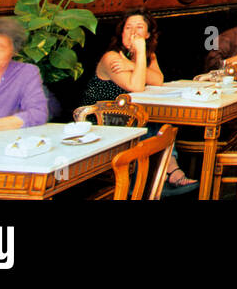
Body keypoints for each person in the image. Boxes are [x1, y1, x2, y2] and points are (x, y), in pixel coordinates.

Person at [82, 11, 196, 189]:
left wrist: (135, 62)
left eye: (139, 27)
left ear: (148, 34)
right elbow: (136, 86)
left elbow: (158, 80)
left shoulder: (146, 56)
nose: (133, 32)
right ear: (121, 33)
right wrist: (140, 52)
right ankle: (161, 177)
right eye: (128, 28)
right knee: (150, 122)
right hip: (100, 119)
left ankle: (160, 176)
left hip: (127, 116)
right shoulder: (112, 57)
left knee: (158, 120)